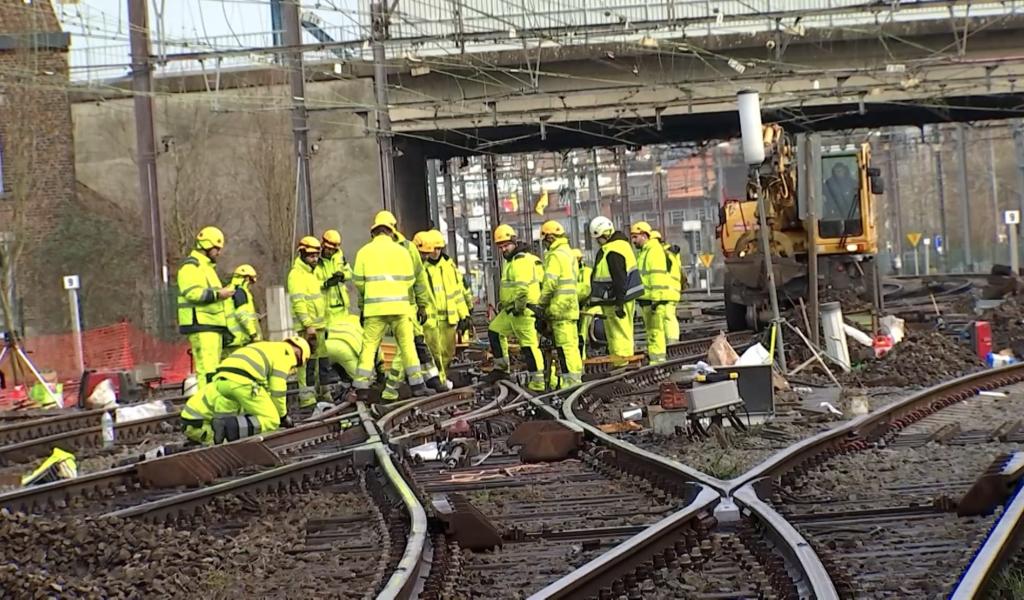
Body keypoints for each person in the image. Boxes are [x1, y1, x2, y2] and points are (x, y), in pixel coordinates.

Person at [352, 213, 432, 401]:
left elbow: (358, 283)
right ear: (392, 231)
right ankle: (418, 385)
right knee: (407, 345)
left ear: (374, 233)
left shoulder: (364, 252)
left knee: (369, 346)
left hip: (374, 310)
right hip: (400, 308)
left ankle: (361, 387)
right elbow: (411, 280)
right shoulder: (402, 251)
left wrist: (363, 306)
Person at [179, 337, 309, 445]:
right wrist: (282, 416)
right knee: (271, 419)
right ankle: (228, 428)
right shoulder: (285, 355)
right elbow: (278, 390)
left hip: (222, 379)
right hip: (243, 381)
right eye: (295, 366)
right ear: (299, 354)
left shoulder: (267, 346)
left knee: (244, 410)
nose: (292, 368)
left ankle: (223, 433)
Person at [377, 211, 447, 401]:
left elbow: (418, 280)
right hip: (398, 308)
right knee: (405, 349)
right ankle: (396, 389)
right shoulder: (393, 250)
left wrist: (422, 306)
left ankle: (430, 380)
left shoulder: (405, 248)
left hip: (406, 308)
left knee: (417, 344)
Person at [487, 224, 545, 391]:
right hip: (511, 310)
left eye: (506, 245)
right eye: (501, 246)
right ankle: (501, 369)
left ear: (514, 241)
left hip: (523, 310)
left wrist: (519, 307)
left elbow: (522, 290)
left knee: (528, 346)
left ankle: (538, 382)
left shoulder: (520, 261)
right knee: (495, 331)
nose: (504, 249)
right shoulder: (513, 260)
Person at [176, 226, 234, 386]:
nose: (219, 253)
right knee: (207, 371)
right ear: (207, 245)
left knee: (213, 370)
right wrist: (218, 294)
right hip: (201, 325)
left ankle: (212, 404)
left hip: (211, 325)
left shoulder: (206, 268)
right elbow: (192, 293)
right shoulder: (192, 266)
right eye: (216, 248)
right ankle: (207, 406)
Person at [589, 216, 643, 367]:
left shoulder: (613, 250)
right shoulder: (621, 246)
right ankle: (622, 362)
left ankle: (622, 364)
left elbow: (619, 278)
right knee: (619, 333)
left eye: (598, 238)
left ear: (605, 235)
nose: (598, 242)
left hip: (617, 300)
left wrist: (619, 303)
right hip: (616, 300)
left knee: (619, 334)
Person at [420, 230, 470, 382]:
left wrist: (465, 314)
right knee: (434, 353)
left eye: (438, 248)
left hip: (449, 319)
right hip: (431, 321)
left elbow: (457, 292)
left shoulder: (449, 266)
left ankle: (442, 380)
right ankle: (439, 382)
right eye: (433, 248)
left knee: (447, 353)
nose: (435, 252)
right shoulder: (422, 268)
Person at [537, 220, 583, 389]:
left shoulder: (555, 255)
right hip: (571, 307)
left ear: (549, 238)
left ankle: (569, 384)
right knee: (572, 347)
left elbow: (550, 283)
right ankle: (577, 379)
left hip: (558, 309)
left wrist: (540, 304)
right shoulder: (569, 253)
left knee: (564, 349)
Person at [287, 236, 328, 408]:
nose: (315, 259)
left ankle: (321, 393)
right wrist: (308, 325)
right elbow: (299, 302)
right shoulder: (296, 275)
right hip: (308, 328)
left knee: (319, 363)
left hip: (318, 327)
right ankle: (307, 399)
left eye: (317, 255)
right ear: (302, 254)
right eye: (311, 255)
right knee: (306, 364)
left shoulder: (311, 274)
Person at [631, 221, 671, 364]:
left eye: (635, 237)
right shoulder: (645, 251)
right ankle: (656, 358)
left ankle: (658, 361)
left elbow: (657, 276)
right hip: (647, 299)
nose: (633, 240)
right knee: (652, 332)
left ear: (644, 235)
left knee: (655, 332)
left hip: (653, 300)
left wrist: (656, 299)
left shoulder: (653, 250)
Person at [318, 229, 356, 325]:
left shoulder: (340, 258)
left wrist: (343, 276)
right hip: (325, 309)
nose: (330, 252)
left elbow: (350, 272)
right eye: (328, 249)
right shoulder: (316, 261)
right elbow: (310, 284)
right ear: (323, 245)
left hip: (341, 307)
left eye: (333, 250)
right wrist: (326, 283)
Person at [652, 231, 683, 344]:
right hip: (673, 290)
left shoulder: (662, 254)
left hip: (666, 290)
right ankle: (671, 340)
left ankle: (672, 342)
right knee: (669, 316)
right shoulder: (670, 253)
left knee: (667, 316)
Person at [224, 264, 262, 355]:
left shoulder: (229, 290)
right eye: (251, 281)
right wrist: (253, 334)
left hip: (229, 339)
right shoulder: (240, 292)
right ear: (246, 279)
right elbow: (242, 314)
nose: (251, 285)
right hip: (238, 341)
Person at [574, 248, 600, 360]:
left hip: (586, 307)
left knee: (582, 334)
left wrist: (570, 297)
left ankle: (582, 359)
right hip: (576, 307)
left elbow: (585, 289)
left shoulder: (586, 272)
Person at [323, 316, 363, 385]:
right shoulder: (368, 333)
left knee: (319, 373)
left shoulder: (349, 319)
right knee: (361, 380)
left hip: (327, 345)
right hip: (346, 352)